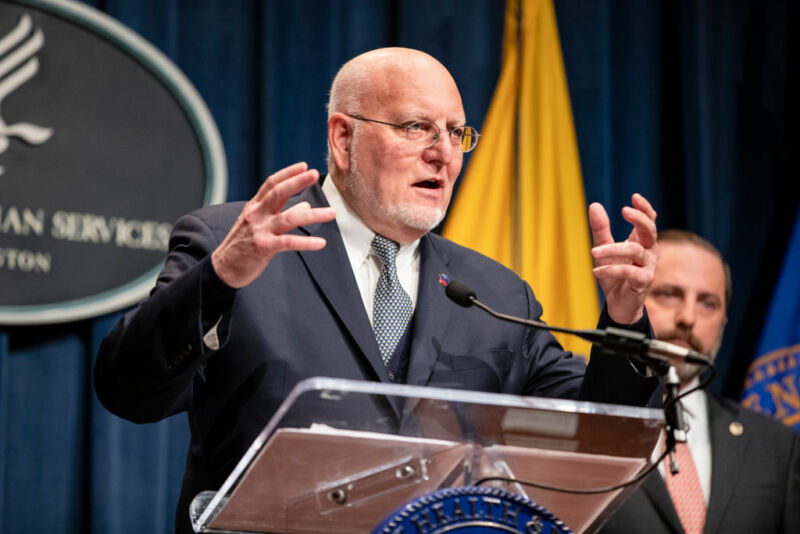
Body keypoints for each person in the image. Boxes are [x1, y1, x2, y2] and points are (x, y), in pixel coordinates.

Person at [94, 47, 660, 533]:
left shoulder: (497, 294)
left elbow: (597, 441)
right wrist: (217, 279)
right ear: (343, 138)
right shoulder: (237, 244)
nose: (443, 153)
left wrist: (625, 320)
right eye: (416, 128)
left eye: (456, 133)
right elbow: (128, 391)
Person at [599, 230, 800, 534]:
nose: (688, 317)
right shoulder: (583, 427)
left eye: (707, 303)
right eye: (669, 294)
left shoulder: (778, 448)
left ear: (723, 323)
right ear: (632, 298)